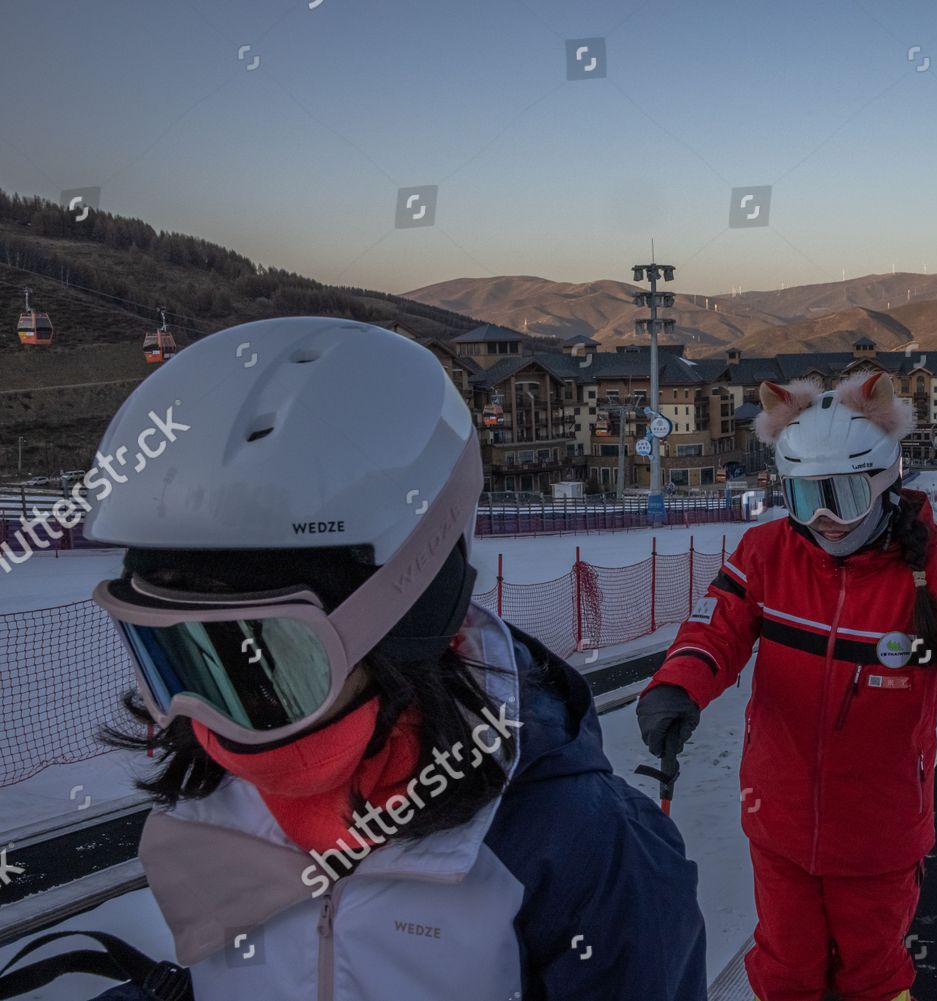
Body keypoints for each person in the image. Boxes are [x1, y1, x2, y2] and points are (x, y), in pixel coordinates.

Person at [76, 319, 707, 1001]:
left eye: (265, 662)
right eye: (170, 654)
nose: (209, 716)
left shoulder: (581, 854)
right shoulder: (213, 799)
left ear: (411, 613)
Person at [635, 374, 937, 1001]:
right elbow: (714, 627)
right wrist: (678, 684)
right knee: (785, 965)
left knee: (872, 972)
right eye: (805, 498)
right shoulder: (767, 553)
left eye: (846, 496)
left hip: (877, 831)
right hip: (777, 816)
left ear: (887, 485)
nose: (826, 520)